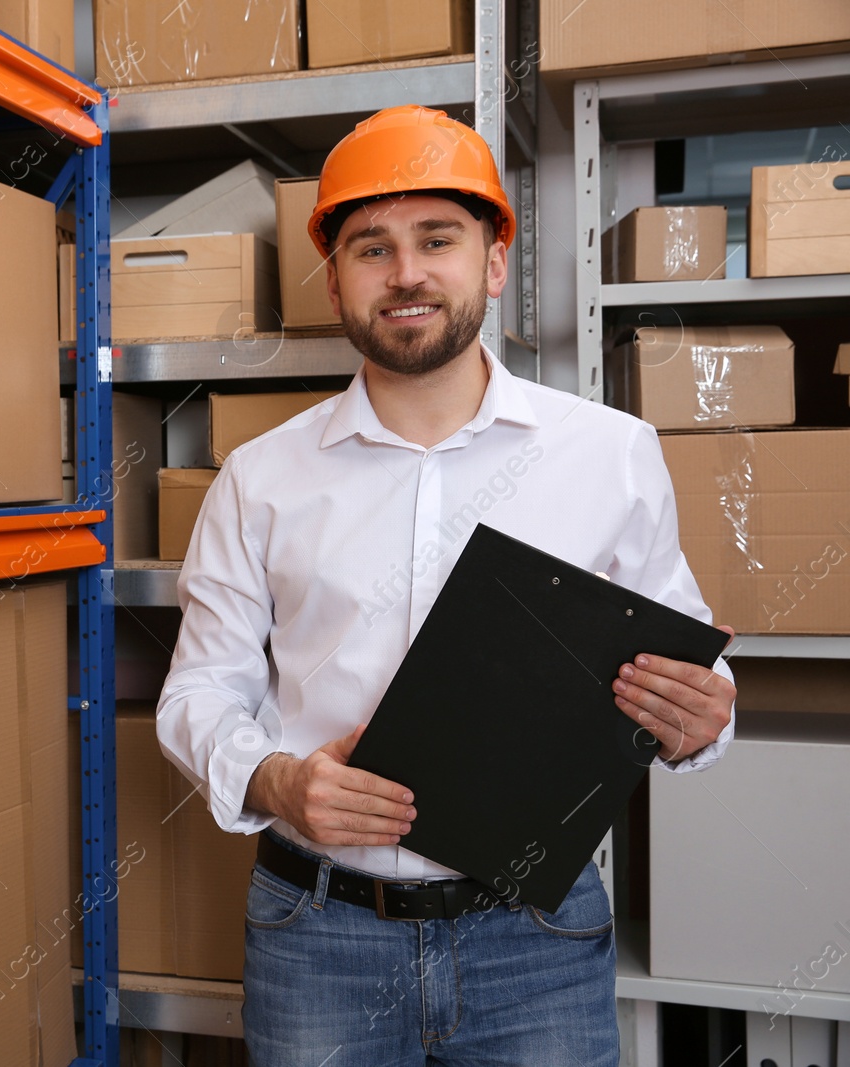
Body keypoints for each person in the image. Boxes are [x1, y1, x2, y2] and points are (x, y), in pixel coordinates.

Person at [154, 105, 738, 1066]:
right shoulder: (260, 478)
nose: (407, 272)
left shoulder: (611, 455)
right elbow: (198, 692)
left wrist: (700, 719)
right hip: (320, 931)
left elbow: (686, 679)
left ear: (494, 261)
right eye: (370, 248)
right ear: (335, 277)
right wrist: (278, 780)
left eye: (438, 239)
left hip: (535, 938)